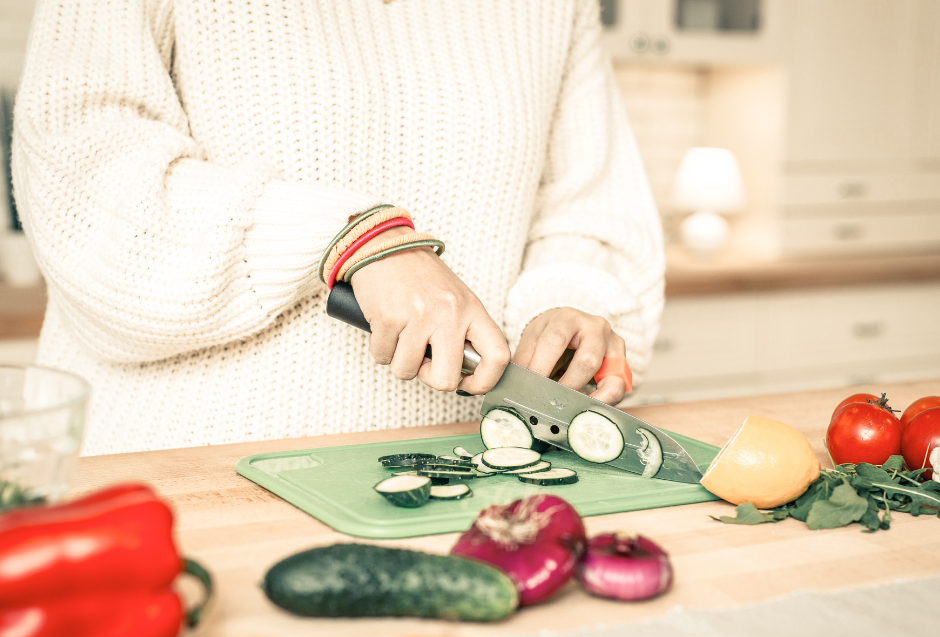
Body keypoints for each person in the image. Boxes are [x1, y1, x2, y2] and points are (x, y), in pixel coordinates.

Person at [12, 0, 664, 456]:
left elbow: (583, 203)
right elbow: (83, 179)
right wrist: (355, 239)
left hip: (458, 477)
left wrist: (570, 301)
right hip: (180, 480)